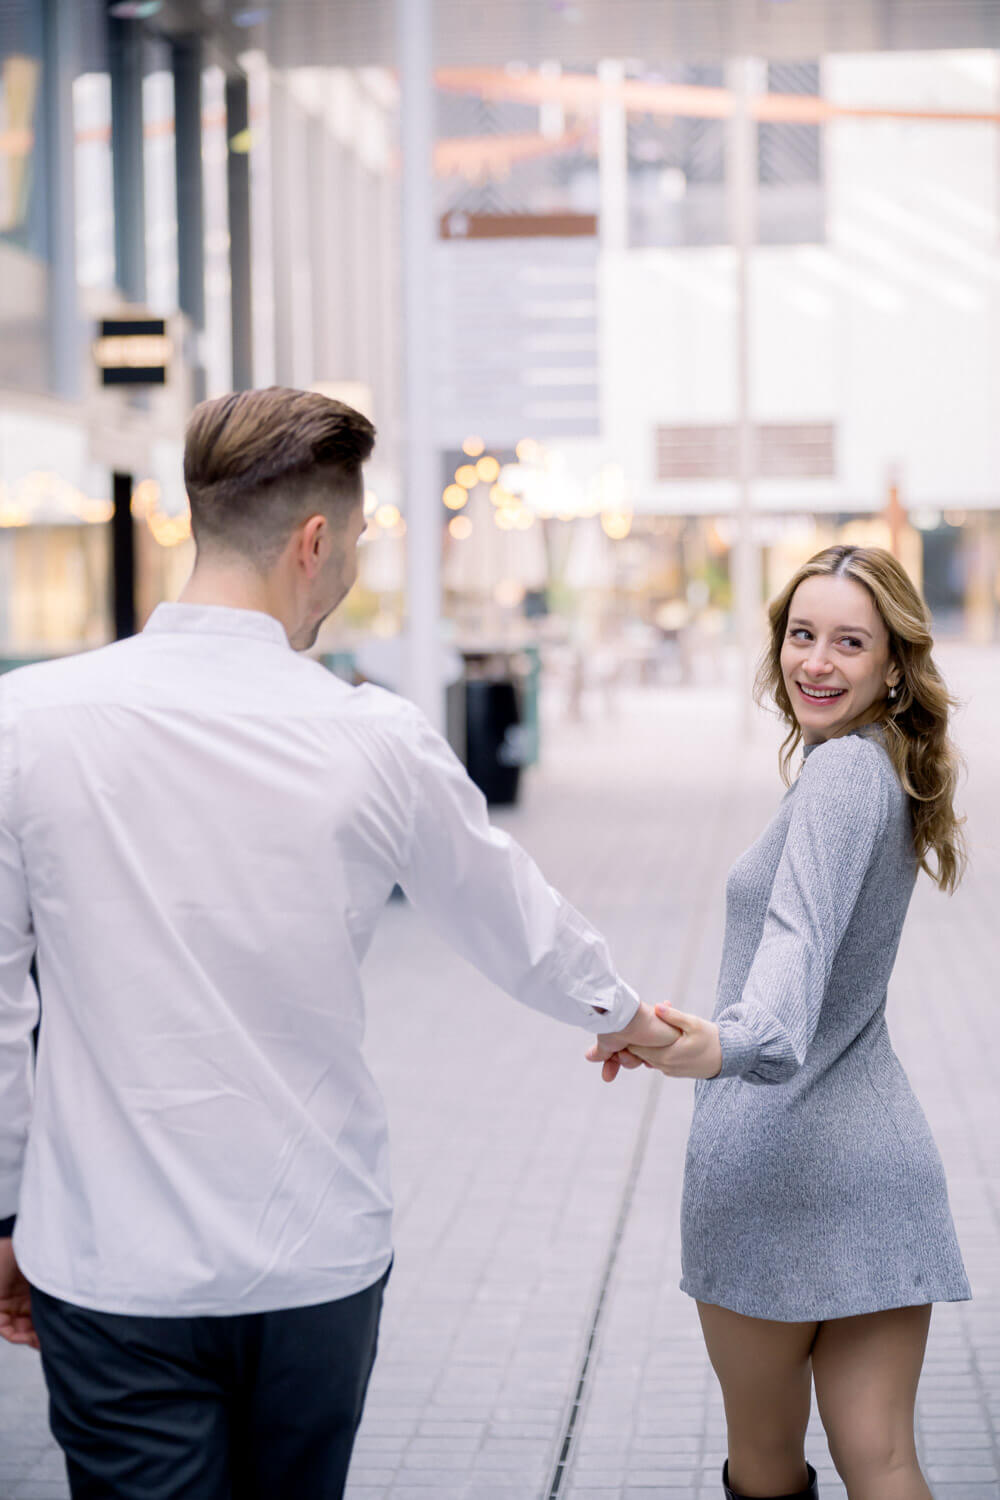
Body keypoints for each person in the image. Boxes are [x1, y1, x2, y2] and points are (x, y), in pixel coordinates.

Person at [0, 386, 674, 1500]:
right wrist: (630, 1019)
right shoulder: (371, 738)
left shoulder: (31, 723)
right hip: (312, 1251)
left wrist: (9, 1210)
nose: (354, 565)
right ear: (314, 541)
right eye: (356, 541)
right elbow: (512, 918)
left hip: (110, 1262)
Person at [595, 545, 971, 1500]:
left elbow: (790, 970)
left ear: (893, 665)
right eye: (803, 635)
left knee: (765, 1463)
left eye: (850, 642)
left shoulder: (844, 774)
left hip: (768, 1167)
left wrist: (711, 1046)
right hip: (881, 1165)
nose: (817, 661)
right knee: (884, 1458)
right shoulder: (886, 769)